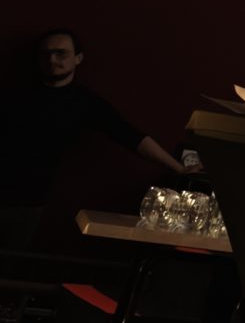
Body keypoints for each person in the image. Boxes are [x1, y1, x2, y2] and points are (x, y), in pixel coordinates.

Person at [0, 29, 198, 241]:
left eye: (61, 53)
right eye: (45, 54)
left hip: (28, 200)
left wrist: (179, 169)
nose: (52, 60)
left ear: (78, 58)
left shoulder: (84, 102)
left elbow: (130, 136)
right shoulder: (14, 94)